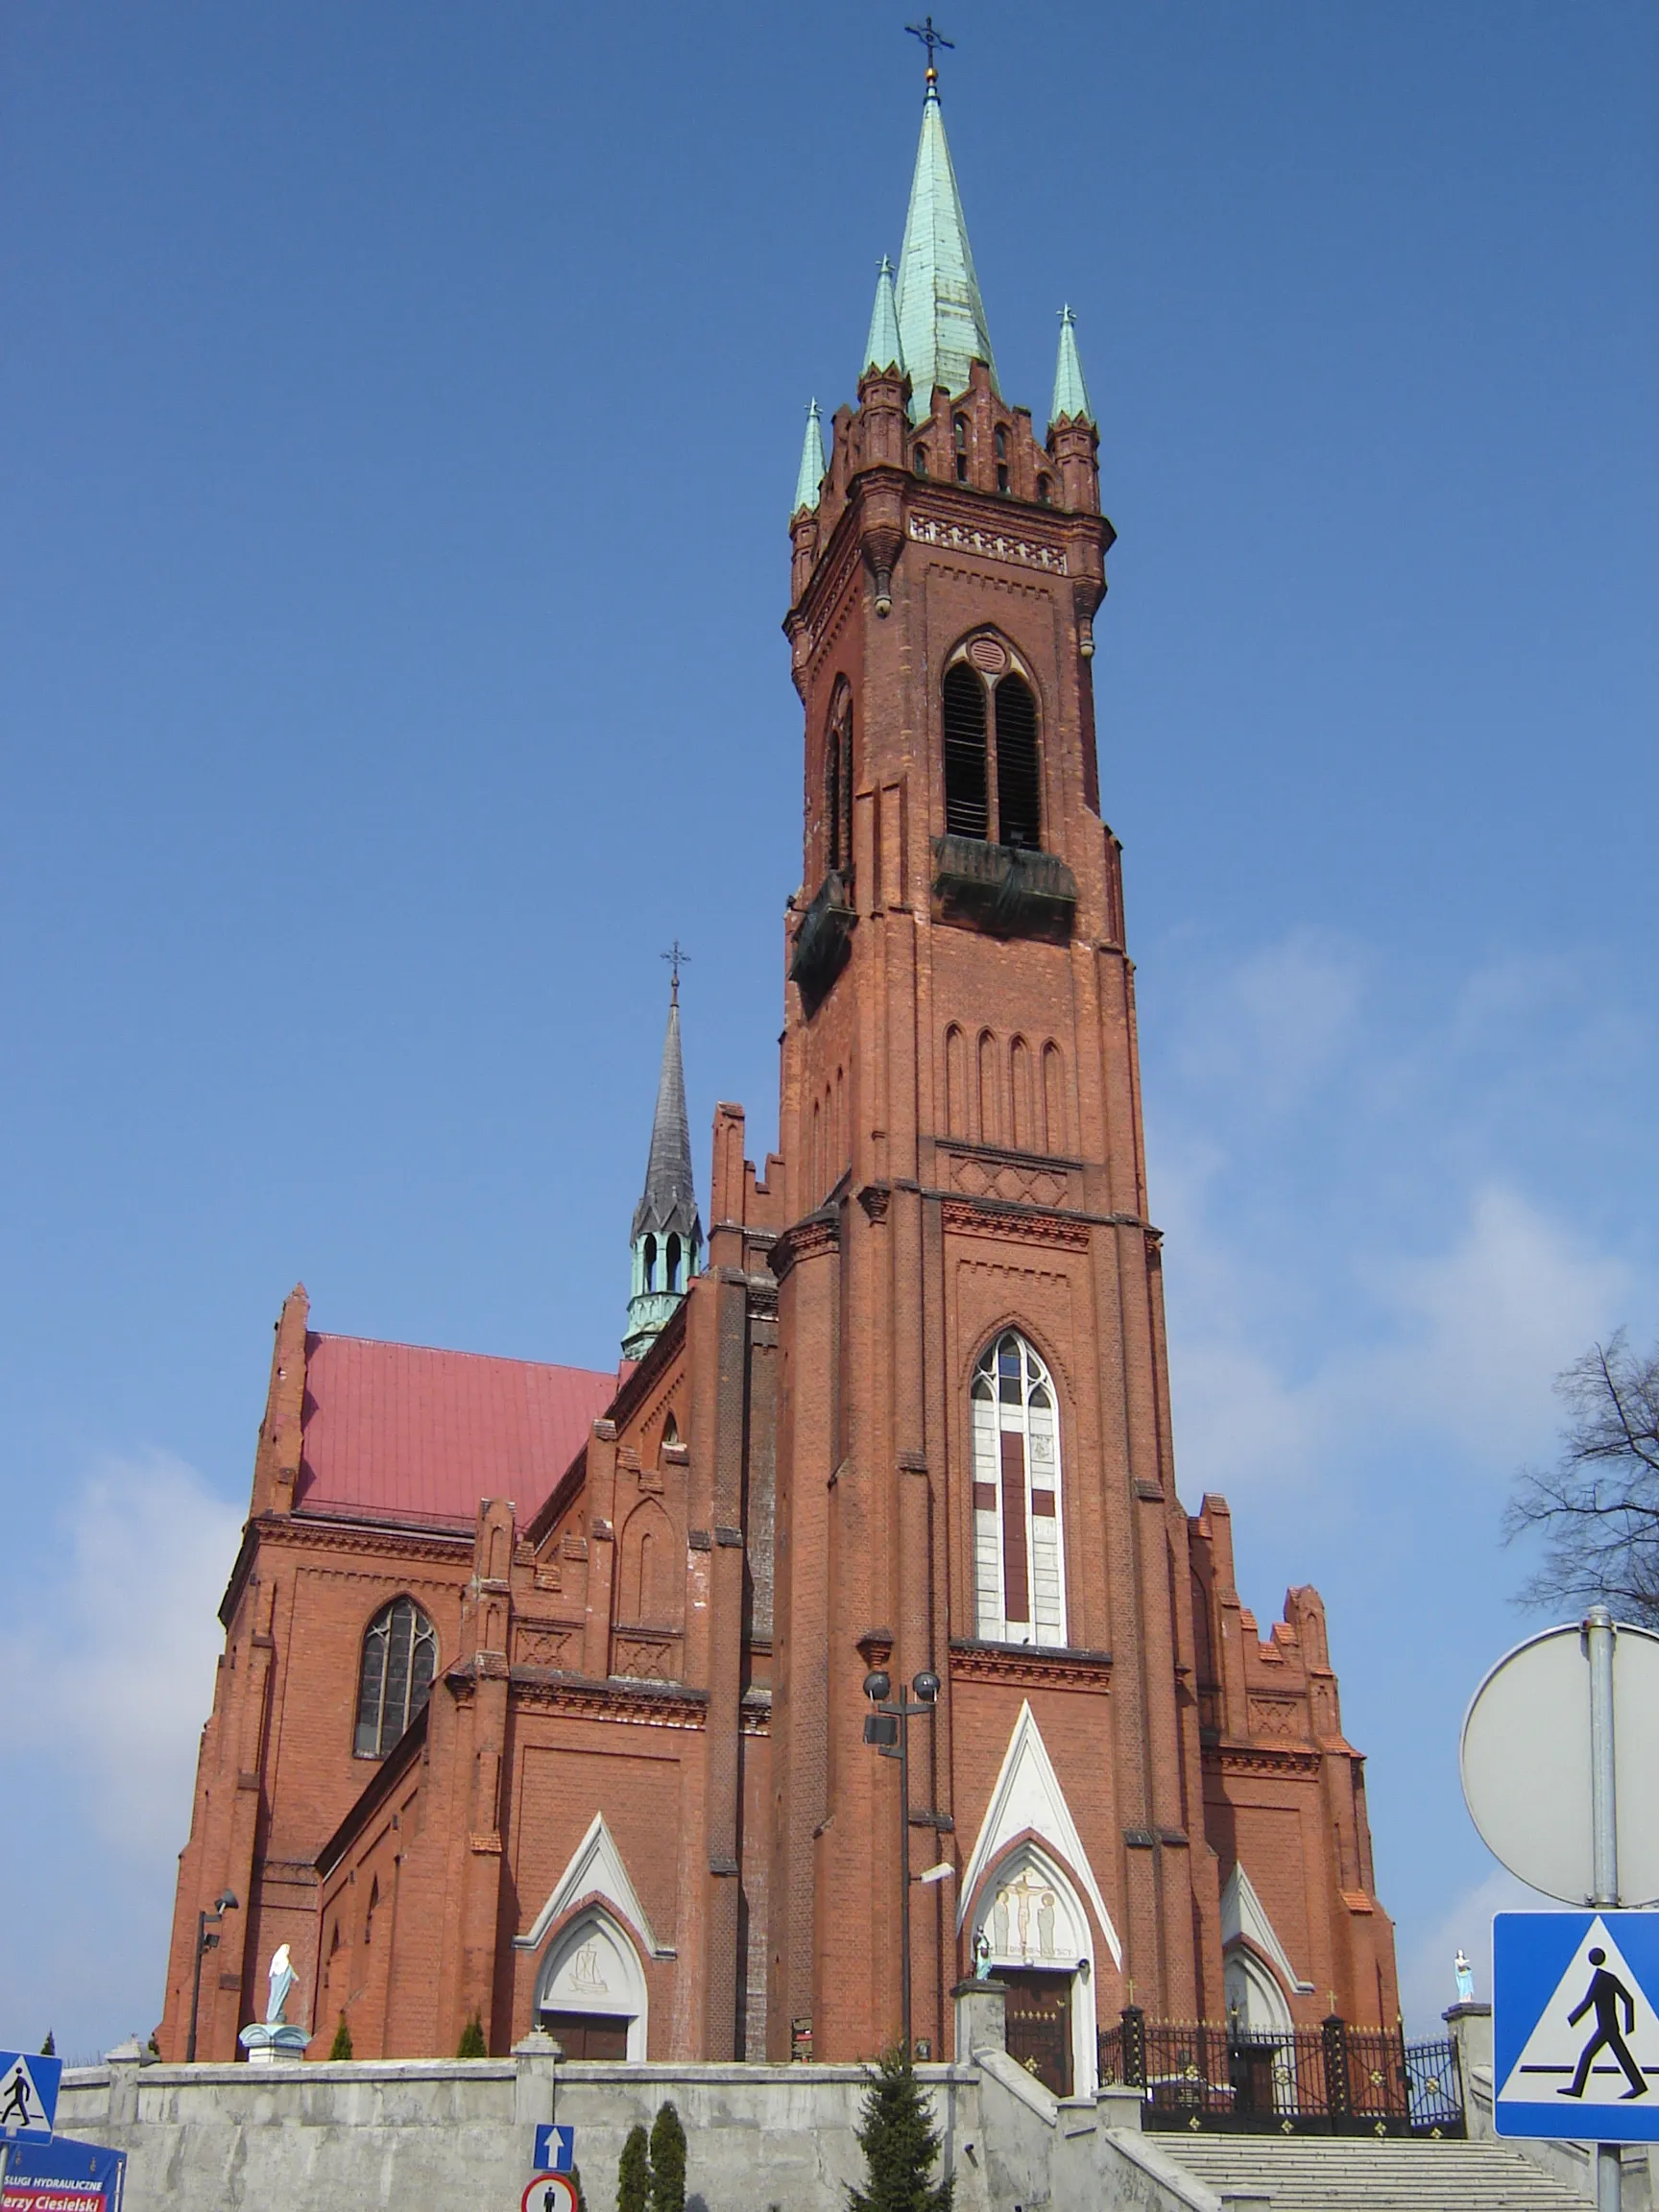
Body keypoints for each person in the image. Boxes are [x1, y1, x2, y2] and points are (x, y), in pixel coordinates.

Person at [1562, 1947, 1647, 2101]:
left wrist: (1571, 2020)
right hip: (1609, 2027)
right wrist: (1629, 2026)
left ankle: (1577, 2089)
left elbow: (1588, 2002)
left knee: (1587, 2054)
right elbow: (1629, 2000)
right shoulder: (1610, 1977)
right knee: (1622, 2057)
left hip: (1606, 2028)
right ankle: (1639, 2086)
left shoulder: (1600, 1979)